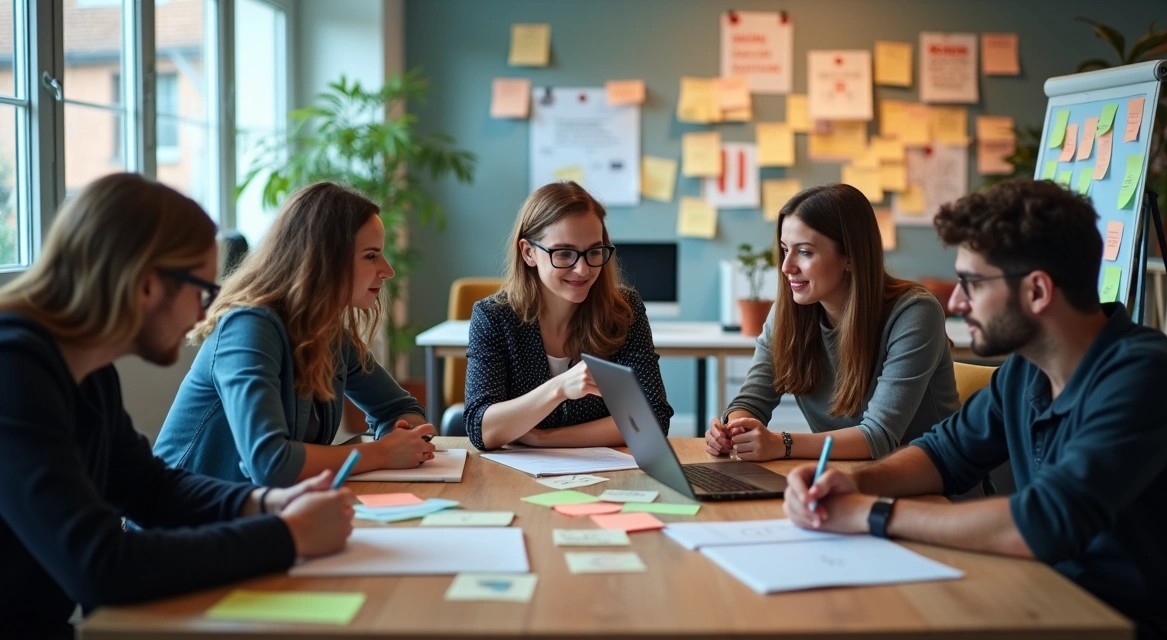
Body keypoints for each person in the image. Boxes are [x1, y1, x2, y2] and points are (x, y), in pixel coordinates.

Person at [785, 179, 1167, 639]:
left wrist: (870, 513)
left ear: (1036, 291)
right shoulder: (1027, 370)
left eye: (971, 282)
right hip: (1047, 599)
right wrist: (852, 480)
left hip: (1137, 623)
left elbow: (1044, 522)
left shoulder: (1143, 376)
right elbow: (941, 454)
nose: (955, 301)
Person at [0, 173, 355, 639]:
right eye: (202, 292)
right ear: (148, 285)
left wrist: (267, 501)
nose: (205, 315)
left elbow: (149, 488)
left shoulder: (86, 369)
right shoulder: (14, 369)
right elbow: (100, 565)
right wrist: (287, 536)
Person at [154, 182, 435, 487]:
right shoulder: (248, 327)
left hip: (256, 513)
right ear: (324, 259)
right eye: (371, 256)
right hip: (179, 526)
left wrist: (402, 432)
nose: (387, 270)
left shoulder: (329, 334)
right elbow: (269, 463)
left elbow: (398, 407)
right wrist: (381, 454)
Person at [706, 184, 959, 462]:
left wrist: (782, 444)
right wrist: (734, 428)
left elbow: (879, 437)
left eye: (804, 252)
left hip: (935, 491)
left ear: (849, 257)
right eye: (784, 249)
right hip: (847, 479)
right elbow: (751, 402)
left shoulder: (915, 313)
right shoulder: (787, 313)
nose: (786, 266)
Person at [465, 181, 673, 450]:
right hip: (516, 479)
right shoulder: (494, 317)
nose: (582, 269)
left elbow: (652, 420)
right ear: (529, 253)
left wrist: (543, 438)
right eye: (564, 253)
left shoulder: (623, 310)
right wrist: (559, 388)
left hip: (604, 474)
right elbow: (481, 428)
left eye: (594, 252)